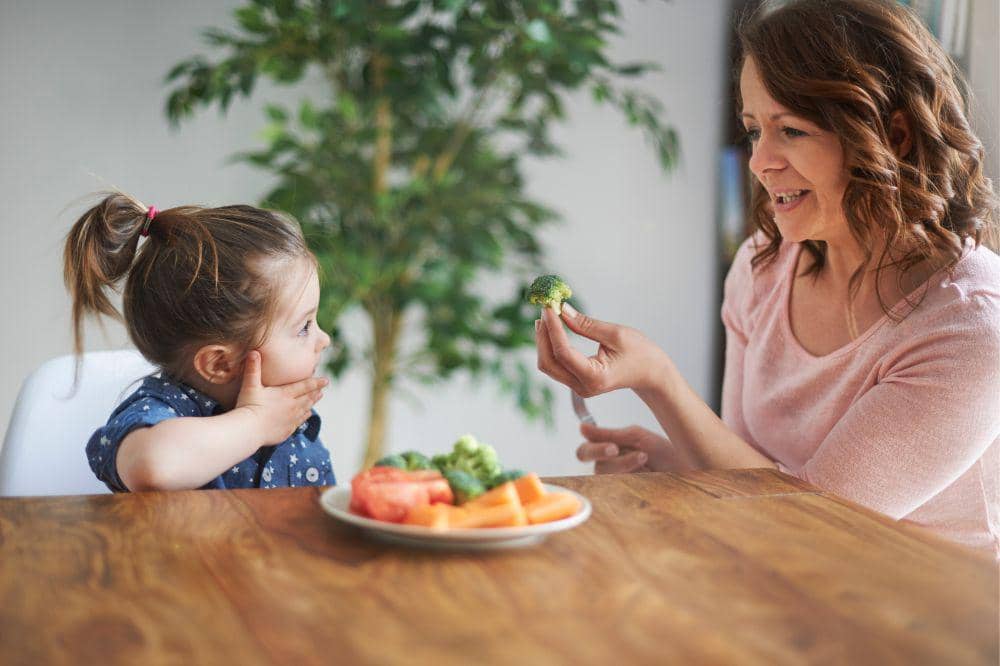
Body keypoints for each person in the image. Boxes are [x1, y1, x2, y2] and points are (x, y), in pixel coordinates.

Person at [535, 0, 999, 554]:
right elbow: (757, 480)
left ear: (894, 136)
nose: (760, 161)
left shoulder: (971, 326)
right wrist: (673, 462)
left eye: (793, 131)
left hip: (919, 619)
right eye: (755, 130)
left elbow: (816, 531)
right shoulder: (764, 266)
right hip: (787, 587)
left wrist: (658, 380)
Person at [64, 192, 335, 491]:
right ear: (219, 363)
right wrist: (255, 423)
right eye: (304, 327)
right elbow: (153, 466)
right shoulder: (161, 411)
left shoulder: (291, 421)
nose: (324, 339)